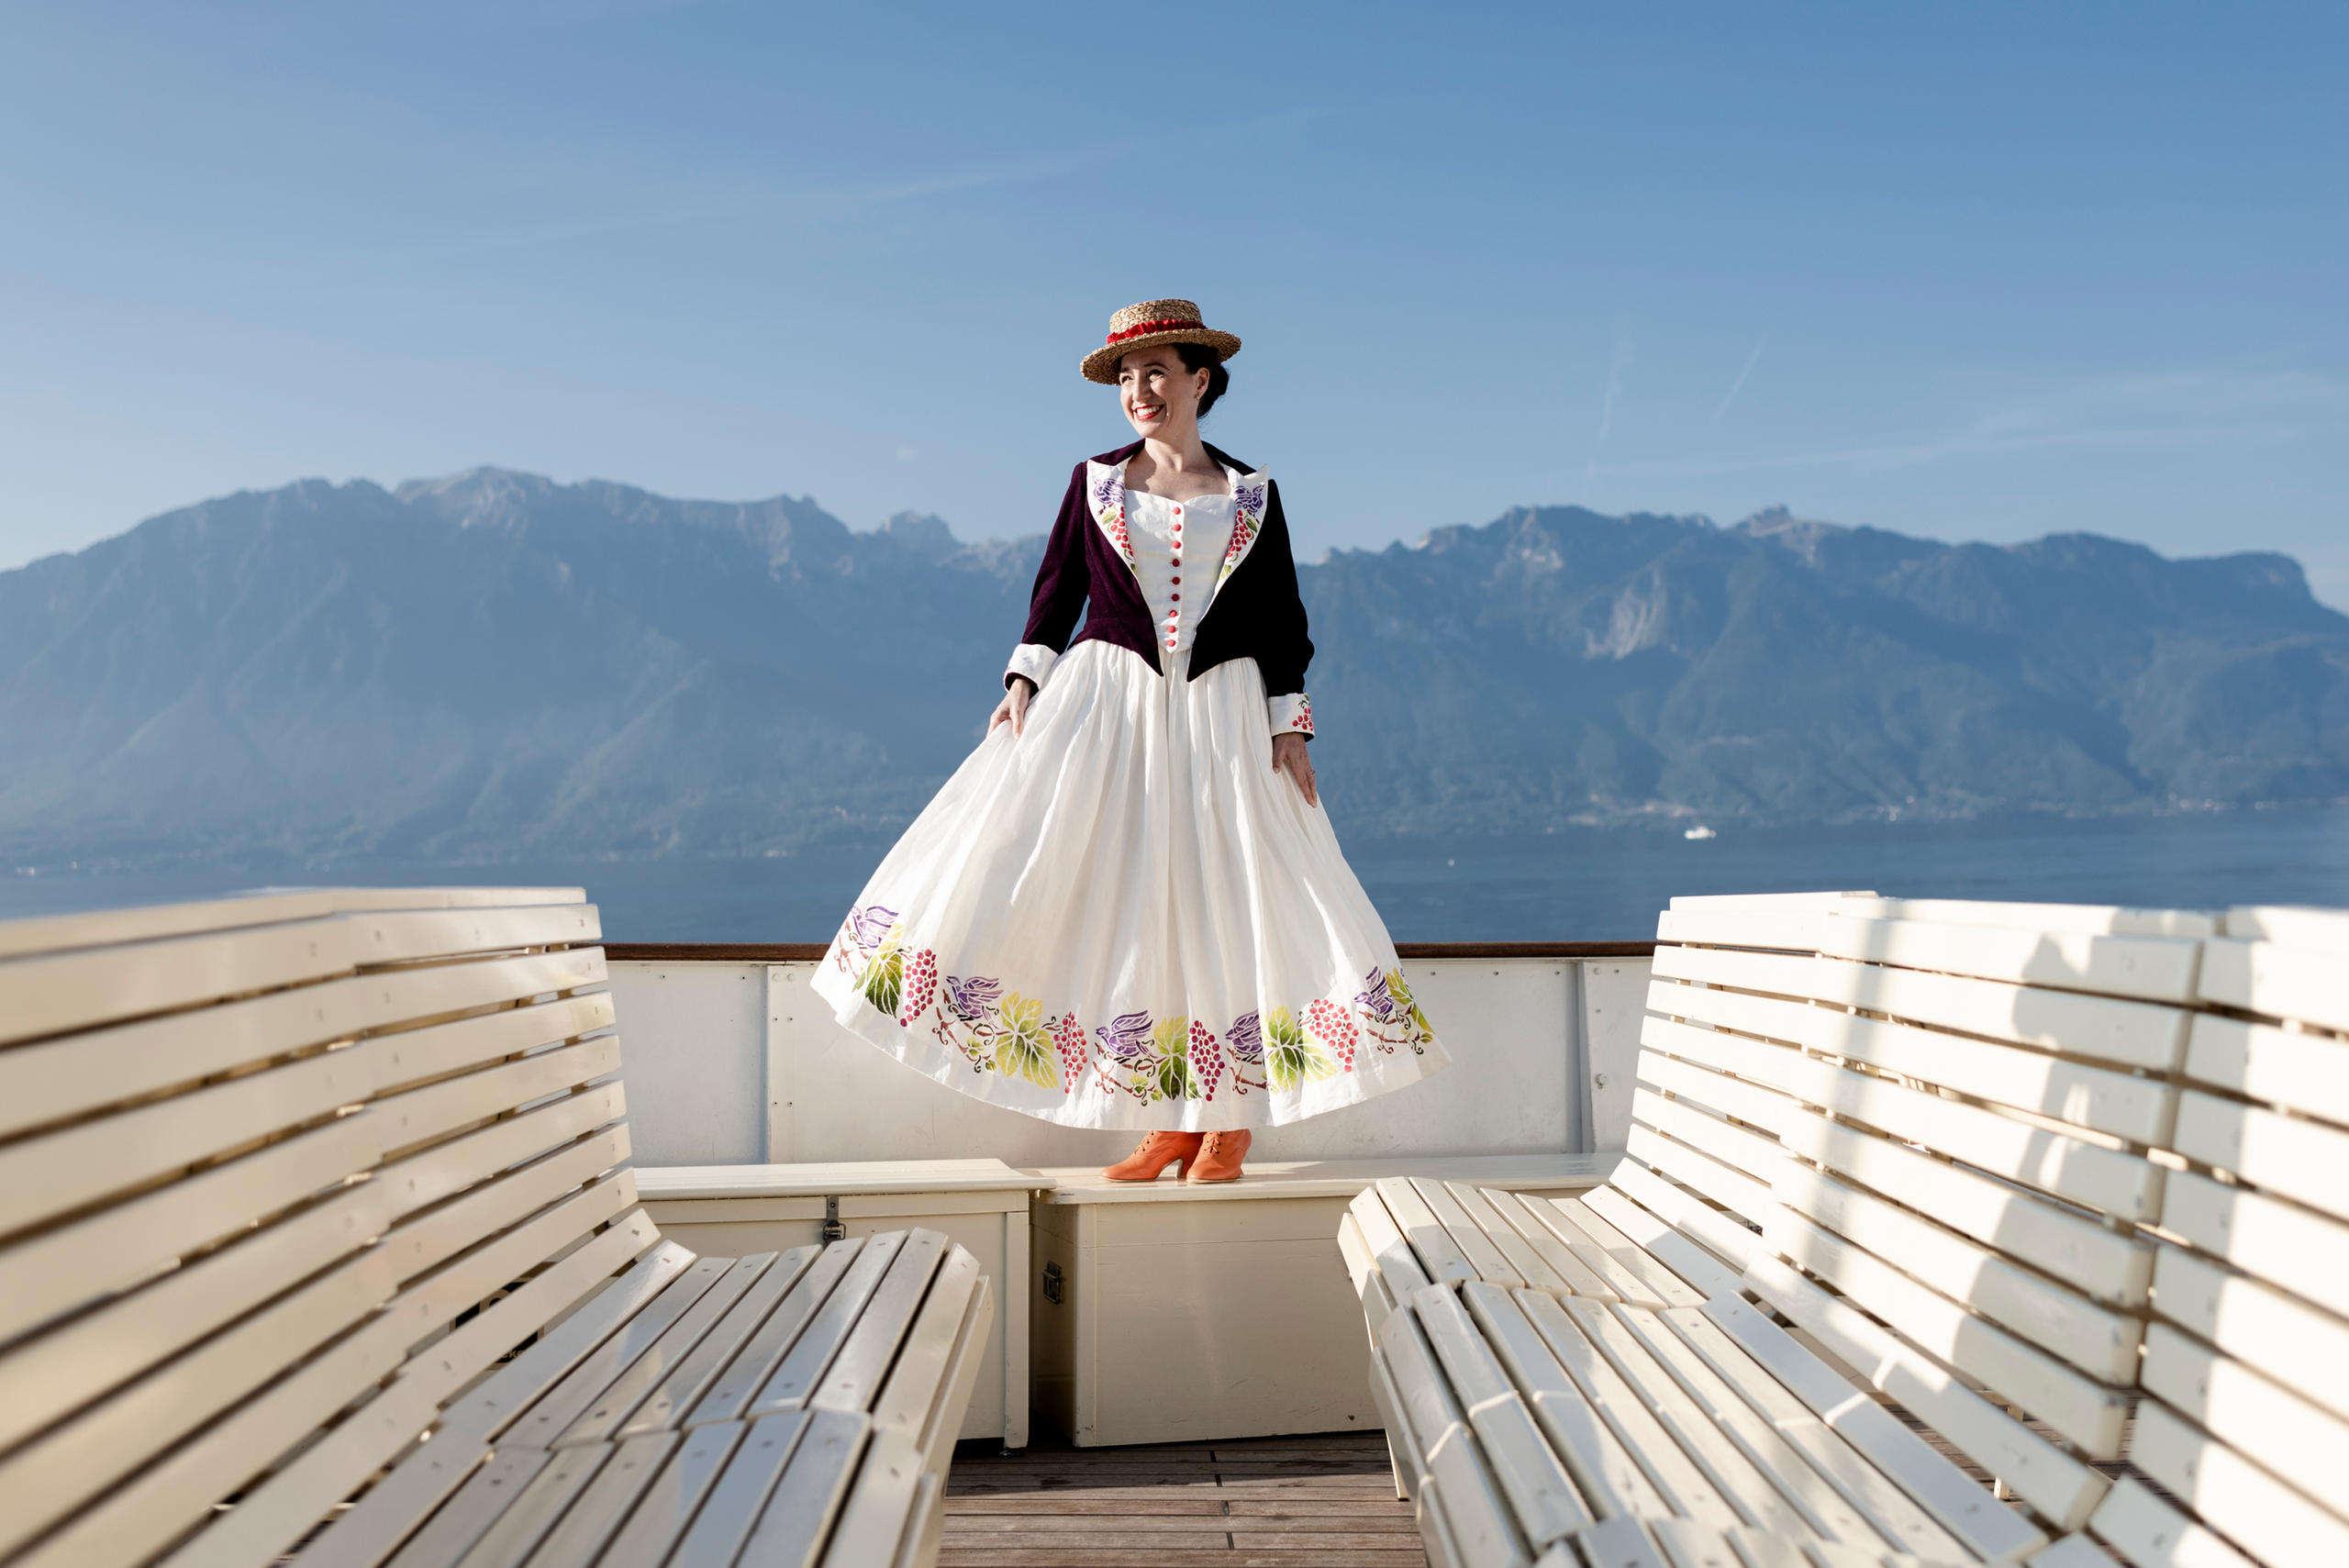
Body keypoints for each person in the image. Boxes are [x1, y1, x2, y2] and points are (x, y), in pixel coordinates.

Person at [813, 299, 1450, 1182]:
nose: (1139, 390)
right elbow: (1057, 588)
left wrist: (1290, 728)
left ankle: (1228, 1117)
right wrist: (1022, 682)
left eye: (1156, 371)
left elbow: (1282, 622)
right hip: (1110, 708)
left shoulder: (1253, 496)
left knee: (1233, 897)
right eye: (1124, 376)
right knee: (1133, 901)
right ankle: (1169, 1115)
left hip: (1224, 714)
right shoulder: (1094, 483)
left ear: (1201, 379)